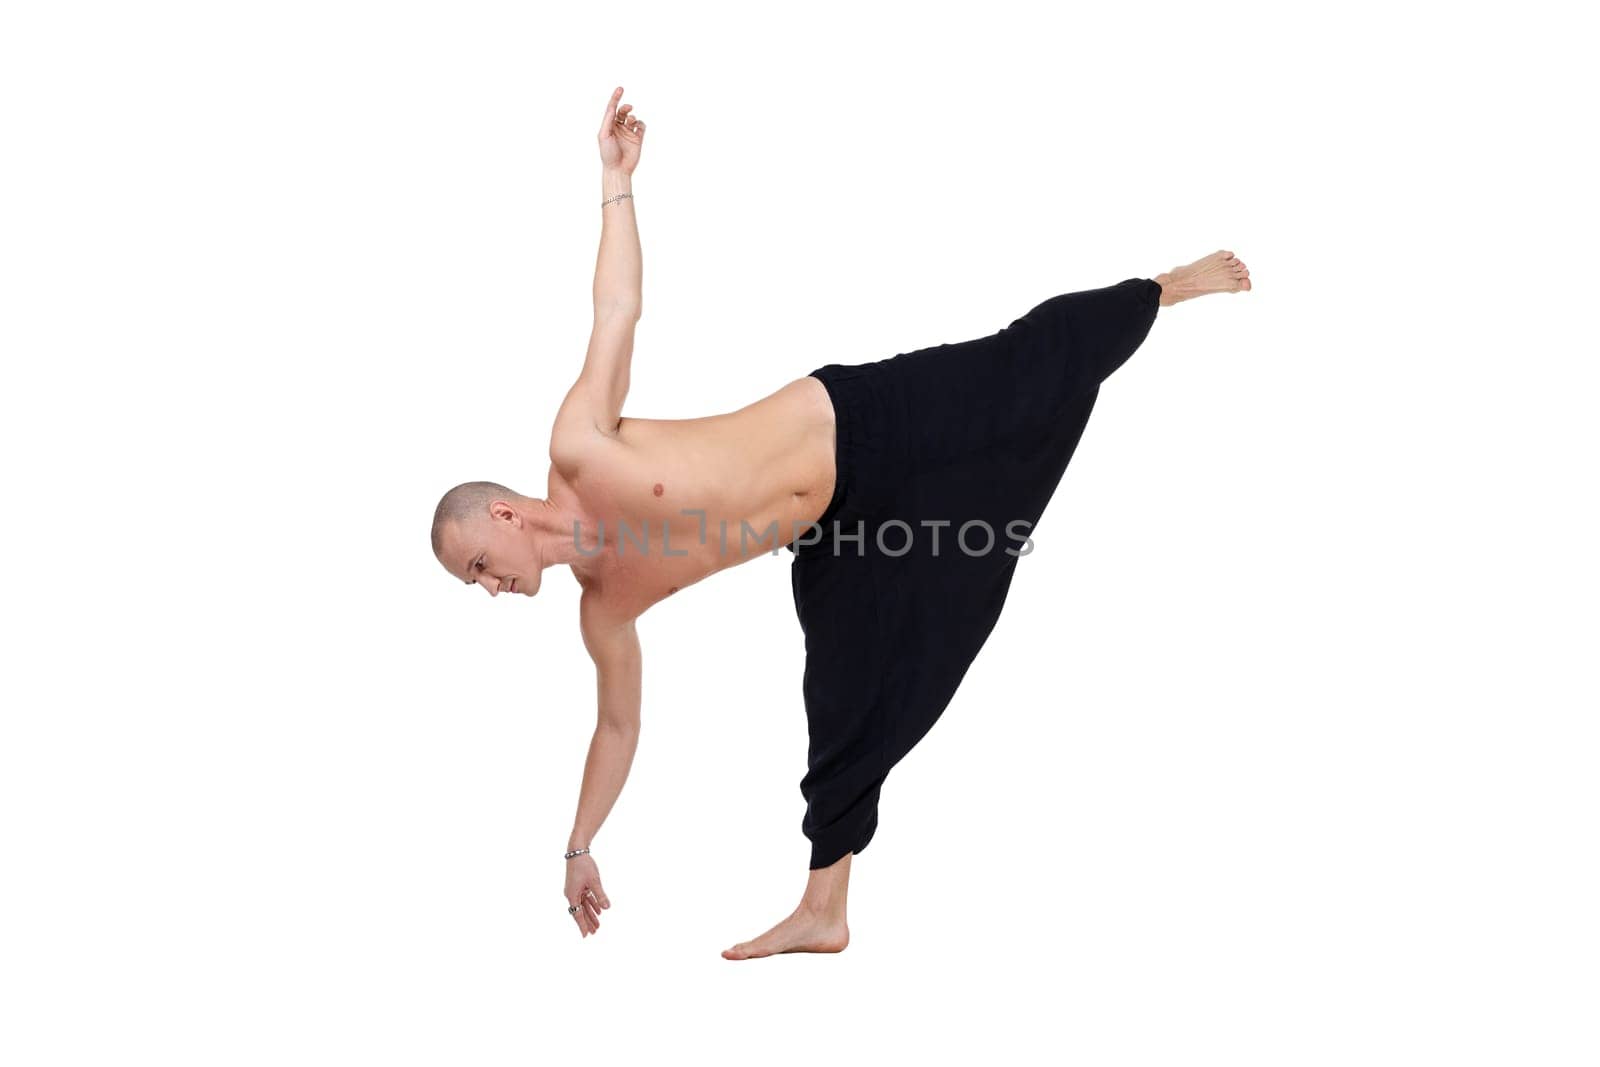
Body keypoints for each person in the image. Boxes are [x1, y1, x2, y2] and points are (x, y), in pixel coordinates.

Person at [429, 87, 1252, 960]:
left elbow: (615, 313)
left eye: (480, 562)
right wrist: (579, 844)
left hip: (858, 419)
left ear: (507, 513)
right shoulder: (604, 612)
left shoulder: (578, 443)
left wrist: (616, 180)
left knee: (1023, 366)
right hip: (832, 536)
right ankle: (825, 911)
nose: (490, 585)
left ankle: (1162, 289)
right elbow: (617, 728)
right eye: (476, 579)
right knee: (845, 706)